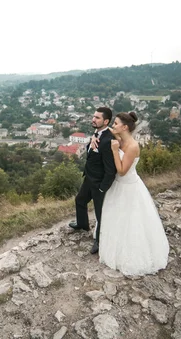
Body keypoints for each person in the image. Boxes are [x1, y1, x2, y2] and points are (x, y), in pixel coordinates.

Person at [99, 112, 169, 276]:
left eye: (116, 123)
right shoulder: (119, 137)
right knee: (115, 219)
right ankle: (114, 251)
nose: (113, 126)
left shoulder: (132, 146)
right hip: (117, 186)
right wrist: (95, 138)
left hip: (128, 186)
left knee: (131, 221)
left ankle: (133, 256)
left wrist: (115, 151)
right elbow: (102, 131)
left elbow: (122, 171)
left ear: (124, 127)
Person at [69, 107, 117, 254]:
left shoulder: (109, 140)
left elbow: (111, 170)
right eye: (93, 116)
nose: (93, 119)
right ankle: (83, 224)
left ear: (106, 121)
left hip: (98, 184)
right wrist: (92, 140)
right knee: (80, 200)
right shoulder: (98, 133)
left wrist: (103, 188)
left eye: (97, 118)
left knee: (99, 213)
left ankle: (99, 240)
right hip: (89, 178)